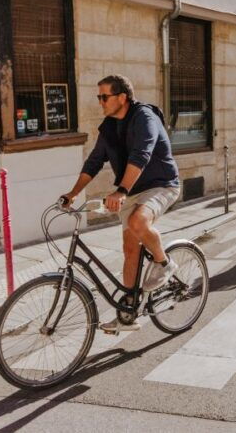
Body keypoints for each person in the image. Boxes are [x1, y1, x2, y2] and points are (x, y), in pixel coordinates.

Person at [61, 75, 180, 332]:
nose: (100, 102)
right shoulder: (109, 127)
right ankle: (128, 314)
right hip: (131, 190)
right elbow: (94, 162)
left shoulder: (145, 118)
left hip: (161, 184)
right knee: (130, 250)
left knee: (138, 221)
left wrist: (121, 190)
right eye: (99, 97)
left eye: (105, 97)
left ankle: (164, 263)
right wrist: (72, 193)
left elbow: (141, 155)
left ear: (122, 98)